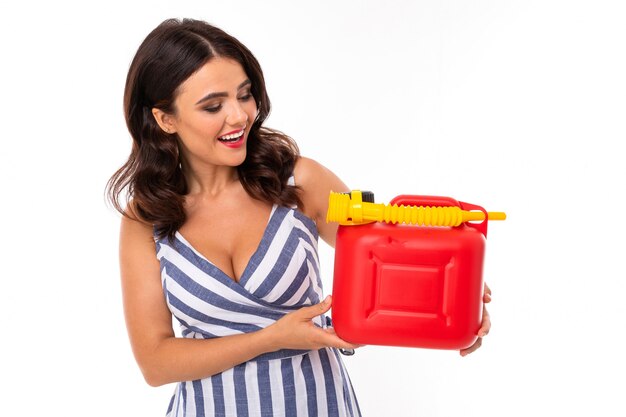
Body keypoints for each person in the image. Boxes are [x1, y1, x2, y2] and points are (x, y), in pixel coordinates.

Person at [107, 17, 491, 417]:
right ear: (164, 119)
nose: (239, 116)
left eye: (245, 95)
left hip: (317, 404)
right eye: (213, 106)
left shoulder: (300, 182)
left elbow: (392, 265)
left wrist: (457, 298)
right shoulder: (145, 219)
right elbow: (156, 362)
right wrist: (270, 338)